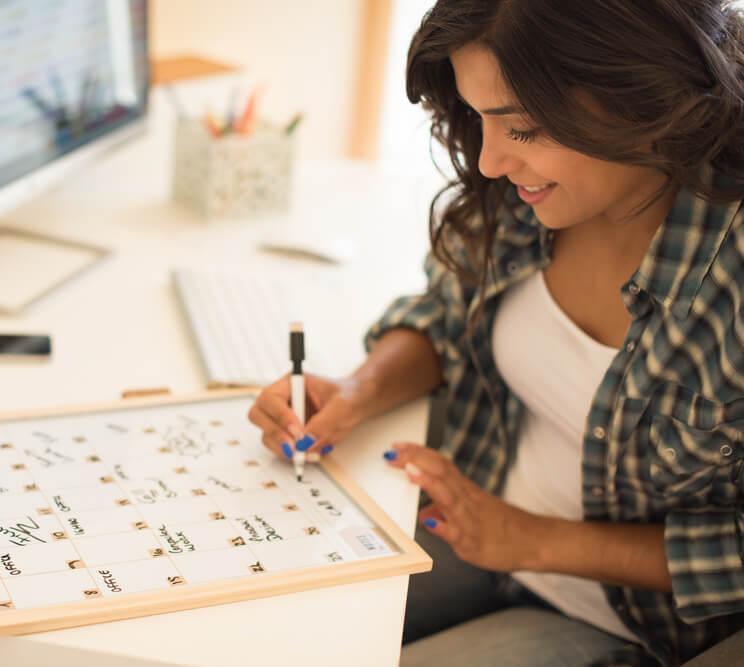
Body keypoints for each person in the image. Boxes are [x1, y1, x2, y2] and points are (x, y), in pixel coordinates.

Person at [247, 1, 744, 665]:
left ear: (643, 95)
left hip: (626, 620)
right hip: (478, 519)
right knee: (258, 625)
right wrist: (359, 391)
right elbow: (446, 313)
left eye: (525, 128)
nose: (486, 161)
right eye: (477, 118)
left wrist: (532, 539)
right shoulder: (526, 195)